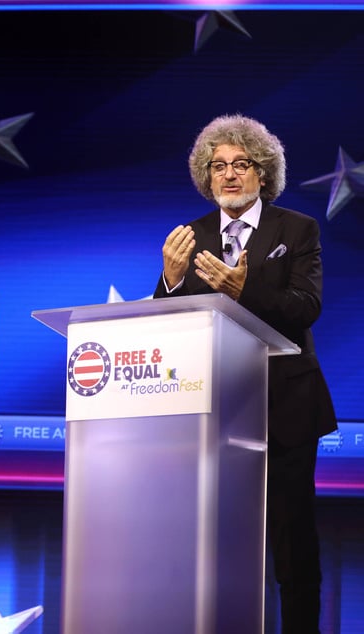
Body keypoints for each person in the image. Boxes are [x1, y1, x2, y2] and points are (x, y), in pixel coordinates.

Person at [154, 114, 337, 633]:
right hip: (214, 408)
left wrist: (243, 291)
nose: (229, 175)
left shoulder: (297, 229)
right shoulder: (190, 236)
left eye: (241, 164)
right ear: (206, 176)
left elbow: (305, 308)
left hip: (286, 407)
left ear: (263, 173)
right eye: (218, 166)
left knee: (291, 537)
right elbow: (167, 325)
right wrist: (169, 283)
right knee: (216, 536)